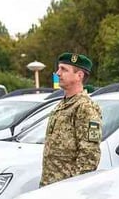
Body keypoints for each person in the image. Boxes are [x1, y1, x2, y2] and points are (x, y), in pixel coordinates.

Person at [40, 52, 102, 187]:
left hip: (66, 189)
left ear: (79, 75)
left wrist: (73, 188)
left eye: (64, 69)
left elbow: (89, 156)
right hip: (50, 185)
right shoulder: (62, 104)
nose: (58, 73)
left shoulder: (85, 107)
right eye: (58, 68)